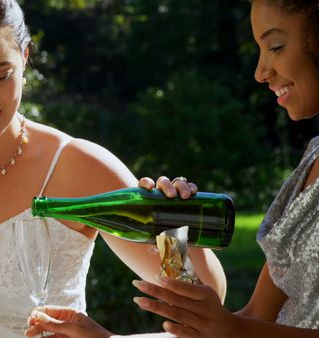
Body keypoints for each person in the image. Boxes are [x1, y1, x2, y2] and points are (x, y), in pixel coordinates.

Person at [0, 1, 225, 337]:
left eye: (1, 76)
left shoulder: (79, 167)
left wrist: (173, 222)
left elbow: (199, 298)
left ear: (24, 57)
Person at [27, 0, 319, 337]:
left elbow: (237, 330)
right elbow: (252, 320)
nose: (260, 71)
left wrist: (229, 328)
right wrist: (172, 233)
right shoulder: (312, 162)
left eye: (276, 46)